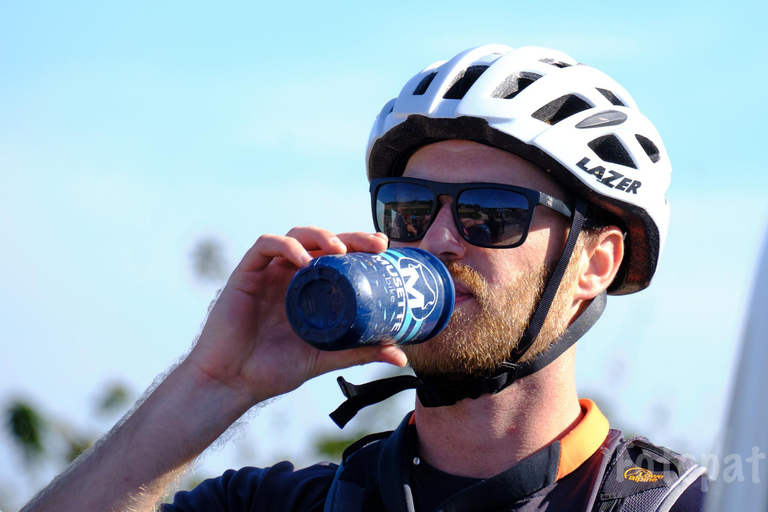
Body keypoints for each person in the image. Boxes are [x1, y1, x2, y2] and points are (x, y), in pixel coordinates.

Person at [22, 44, 707, 512]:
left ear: (595, 263)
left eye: (490, 217)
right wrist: (214, 384)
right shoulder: (289, 504)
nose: (437, 241)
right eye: (410, 211)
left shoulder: (689, 504)